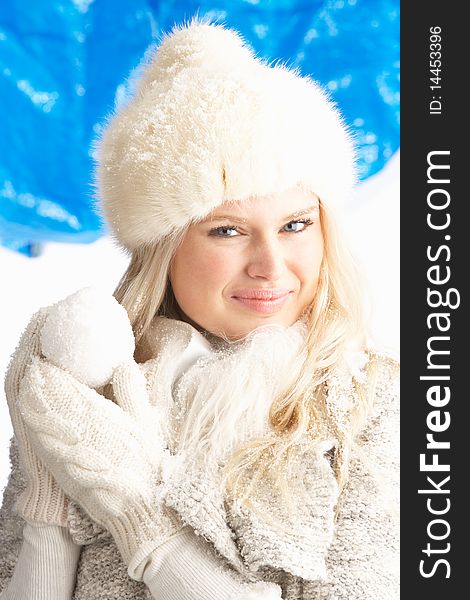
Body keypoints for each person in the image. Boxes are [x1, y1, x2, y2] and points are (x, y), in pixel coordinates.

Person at [0, 17, 399, 600]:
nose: (270, 264)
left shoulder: (374, 404)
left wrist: (139, 514)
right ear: (165, 249)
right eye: (228, 231)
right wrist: (51, 499)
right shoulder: (85, 399)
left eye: (295, 225)